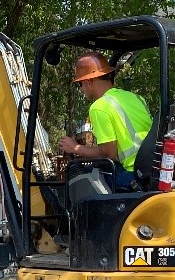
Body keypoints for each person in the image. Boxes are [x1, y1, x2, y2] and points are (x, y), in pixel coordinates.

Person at [57, 53, 153, 190]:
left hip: (133, 174)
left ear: (89, 82)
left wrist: (75, 148)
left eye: (81, 84)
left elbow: (108, 154)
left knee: (78, 175)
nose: (82, 89)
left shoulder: (99, 107)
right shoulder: (136, 98)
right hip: (152, 169)